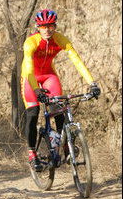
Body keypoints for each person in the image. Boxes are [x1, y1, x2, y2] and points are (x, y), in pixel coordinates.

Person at [20, 9, 101, 172]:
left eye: (50, 26)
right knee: (33, 113)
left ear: (55, 26)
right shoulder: (30, 43)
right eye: (43, 27)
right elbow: (28, 69)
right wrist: (36, 91)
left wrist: (92, 83)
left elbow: (77, 61)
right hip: (30, 78)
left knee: (59, 109)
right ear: (38, 27)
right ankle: (32, 154)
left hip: (49, 75)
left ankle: (65, 146)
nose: (47, 30)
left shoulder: (60, 39)